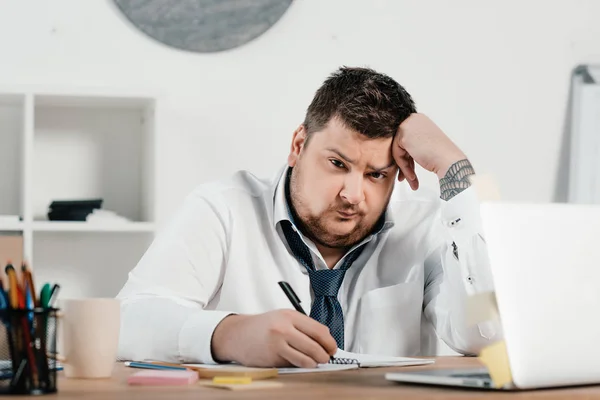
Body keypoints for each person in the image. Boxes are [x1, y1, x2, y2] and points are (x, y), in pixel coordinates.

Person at [116, 66, 498, 368]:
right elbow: (125, 323)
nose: (352, 194)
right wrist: (229, 333)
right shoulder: (223, 208)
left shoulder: (427, 225)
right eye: (337, 163)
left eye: (376, 175)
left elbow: (487, 333)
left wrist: (456, 172)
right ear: (299, 145)